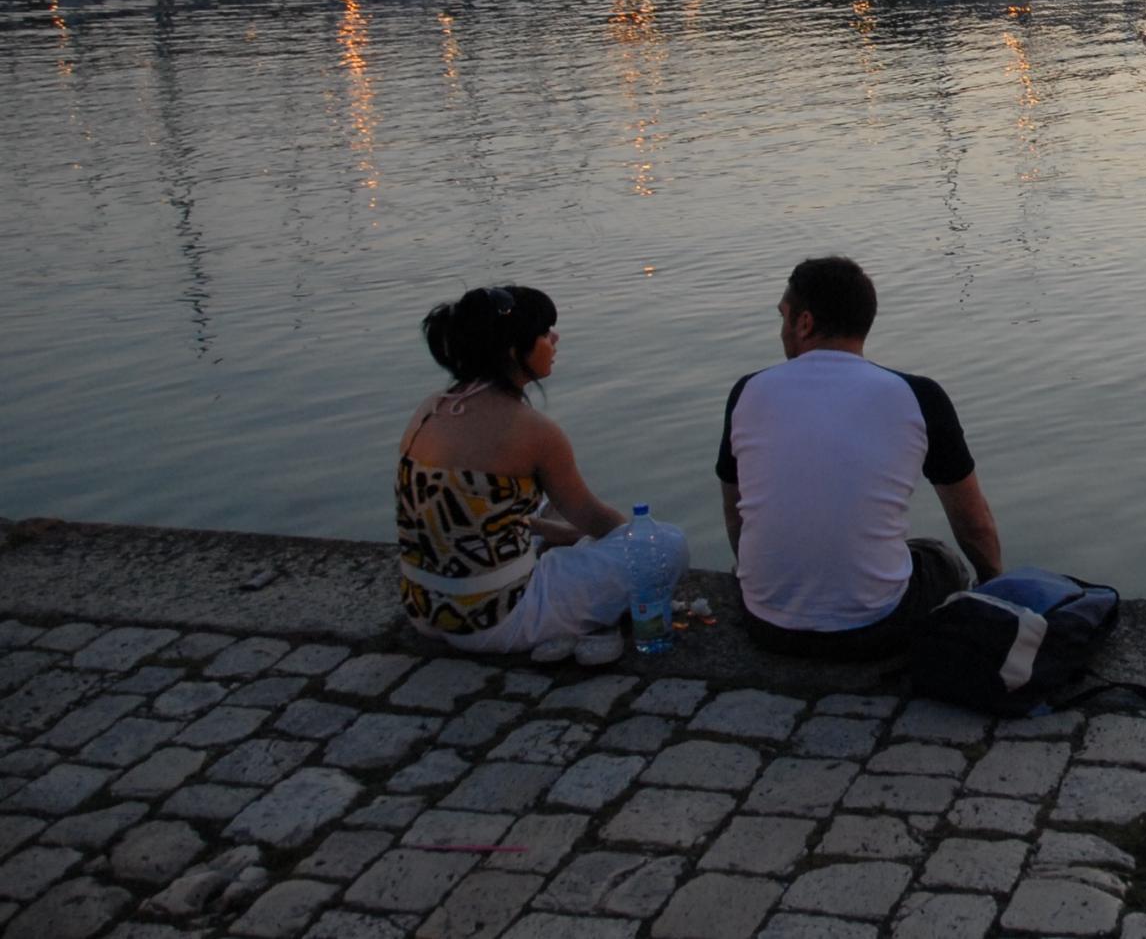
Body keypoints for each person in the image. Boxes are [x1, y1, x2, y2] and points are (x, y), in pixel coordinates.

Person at [716, 255, 1002, 660]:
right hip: (878, 629)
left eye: (783, 317)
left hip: (766, 627)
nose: (781, 330)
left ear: (805, 323)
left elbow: (735, 516)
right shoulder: (919, 397)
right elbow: (972, 524)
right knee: (938, 557)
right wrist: (996, 583)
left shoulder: (747, 392)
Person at [397, 285, 686, 660]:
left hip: (425, 608)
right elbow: (598, 520)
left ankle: (567, 569)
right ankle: (587, 621)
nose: (555, 338)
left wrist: (564, 534)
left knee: (543, 502)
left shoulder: (430, 408)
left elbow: (479, 512)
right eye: (544, 332)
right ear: (514, 352)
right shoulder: (531, 431)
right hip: (495, 621)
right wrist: (625, 543)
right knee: (666, 545)